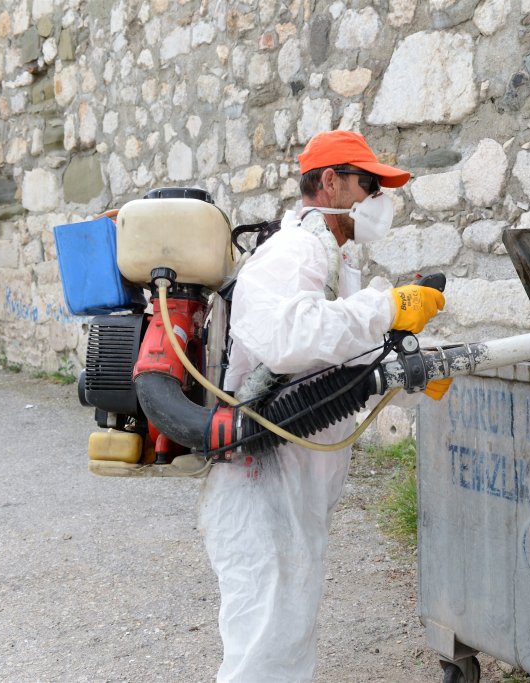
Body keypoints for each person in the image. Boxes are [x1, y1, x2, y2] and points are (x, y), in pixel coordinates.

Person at [197, 130, 451, 682]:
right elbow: (290, 336)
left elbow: (344, 356)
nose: (378, 199)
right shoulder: (291, 251)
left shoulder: (332, 261)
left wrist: (420, 366)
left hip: (295, 482)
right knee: (263, 647)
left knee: (287, 637)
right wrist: (388, 306)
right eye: (370, 184)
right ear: (330, 181)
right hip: (260, 479)